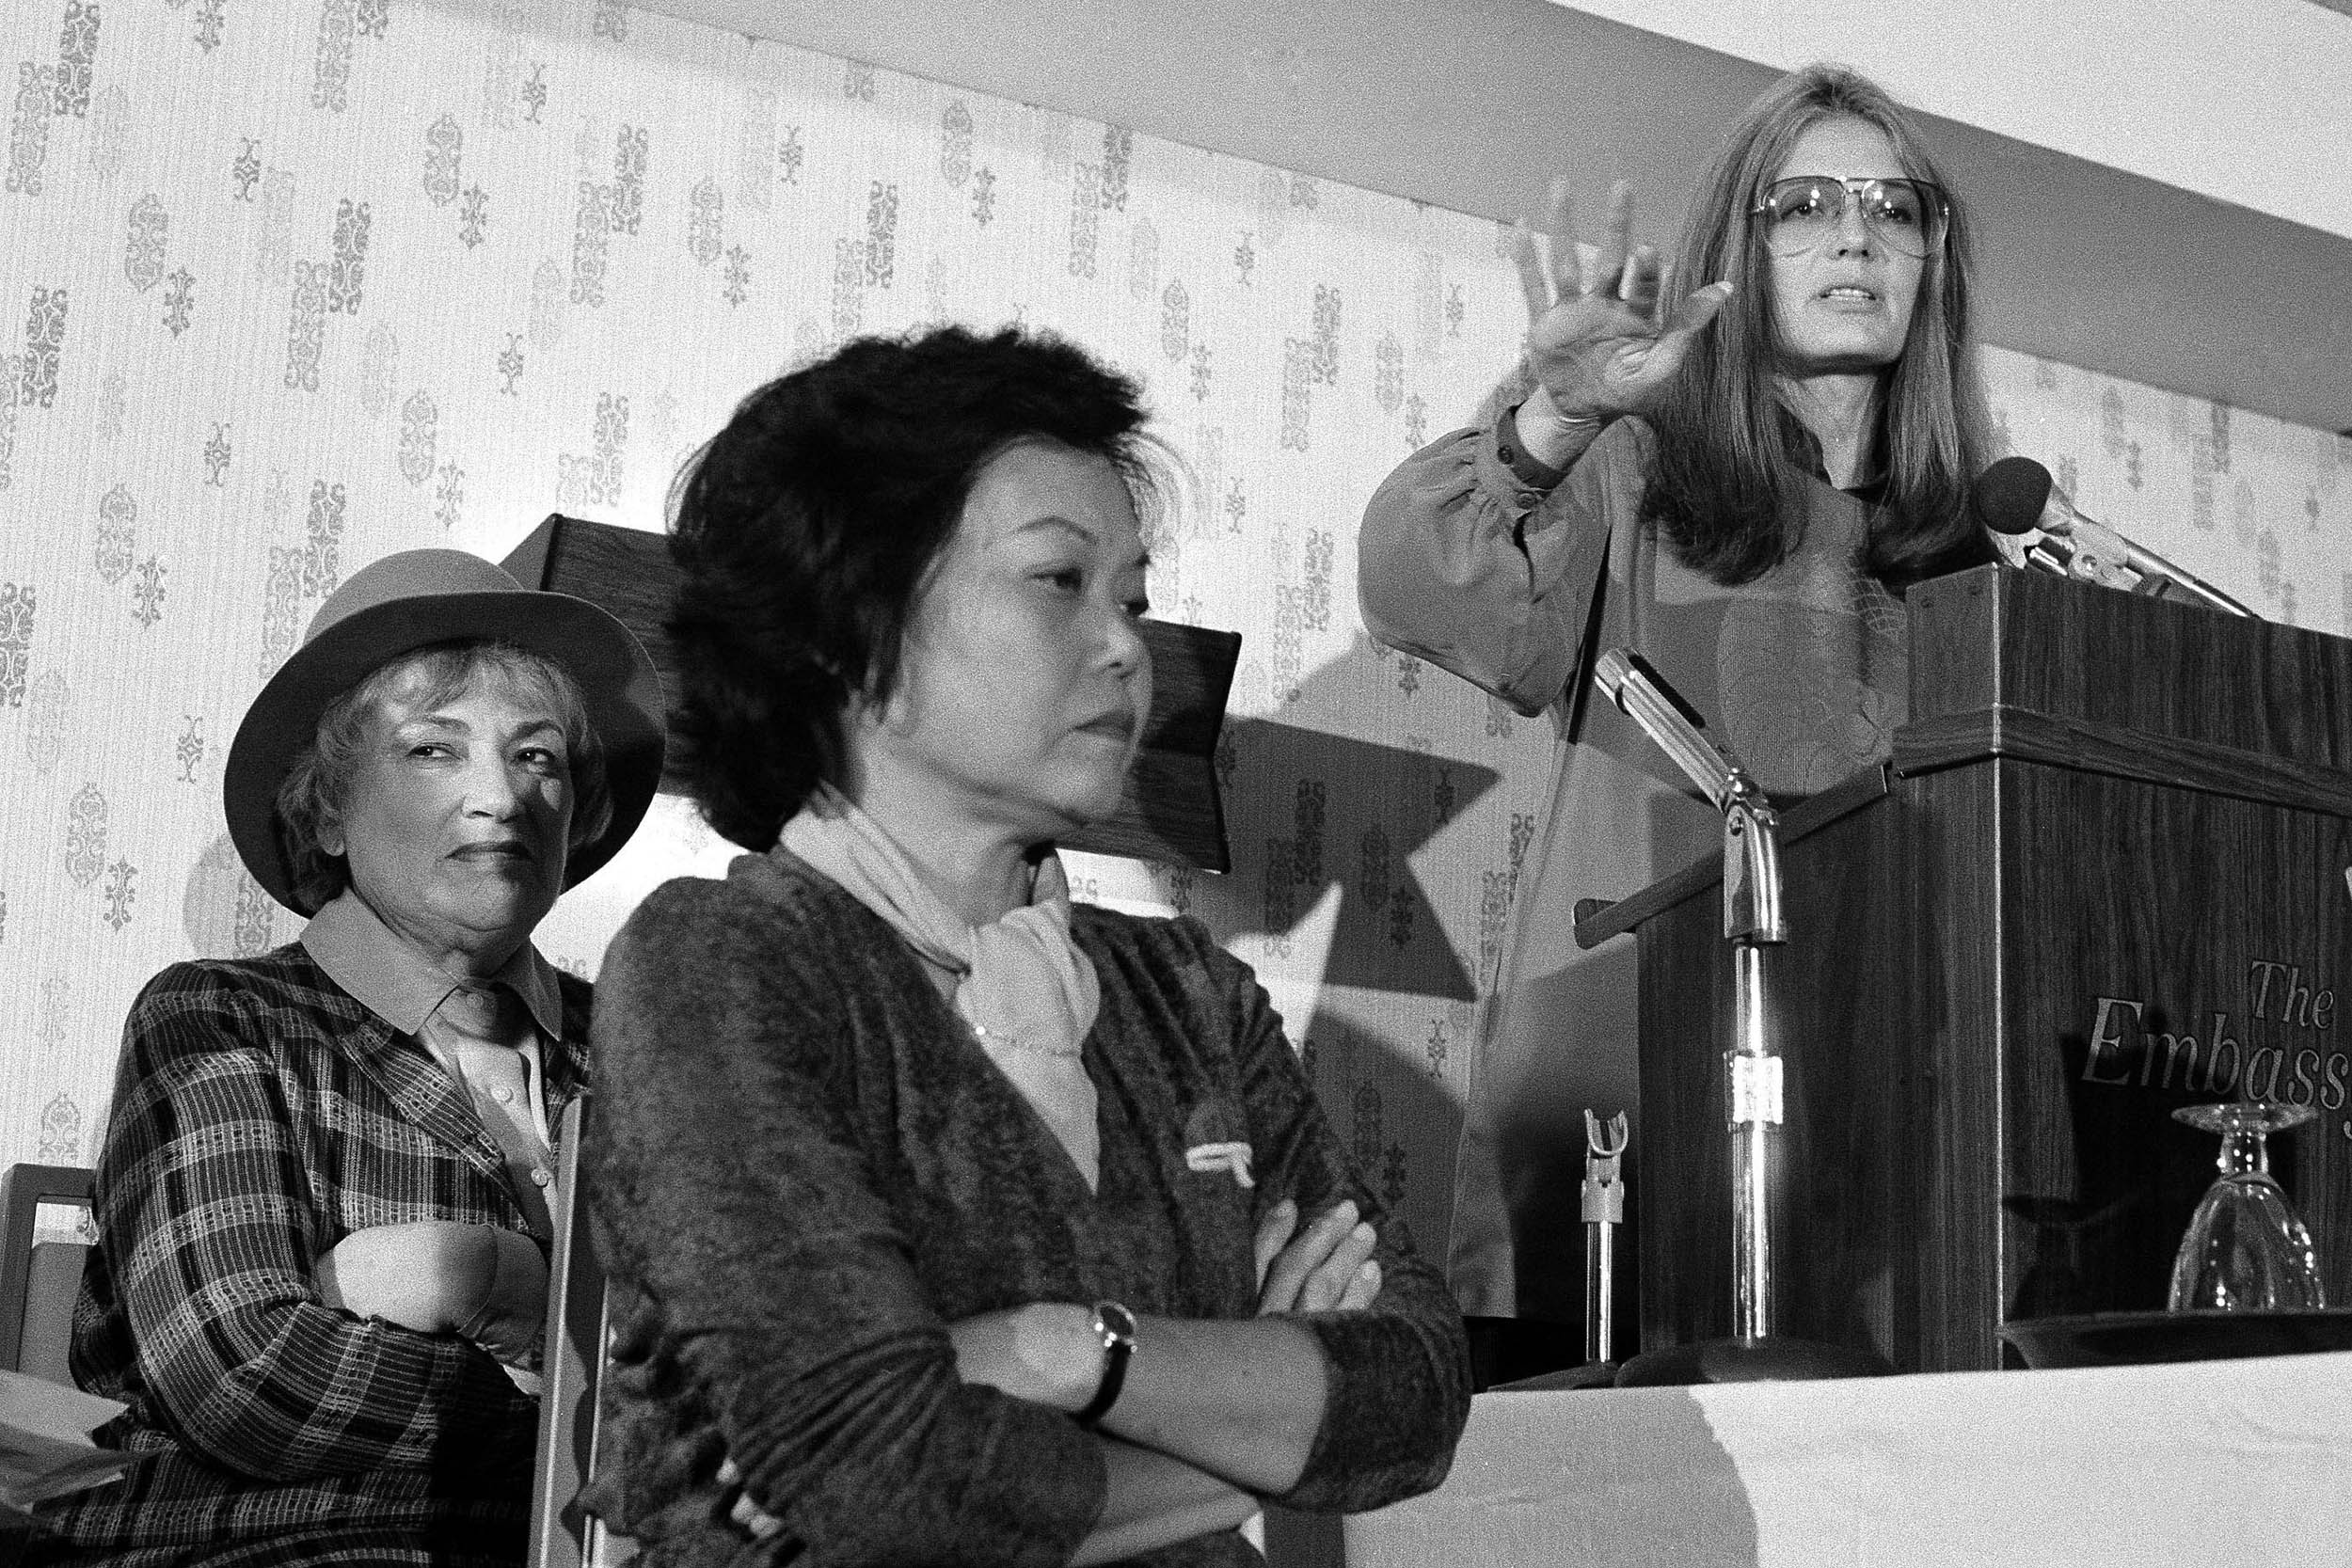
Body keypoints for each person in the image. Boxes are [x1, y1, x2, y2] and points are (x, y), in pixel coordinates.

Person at [584, 324, 1470, 1566]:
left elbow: (1416, 1390)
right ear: (851, 629)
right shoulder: (726, 963)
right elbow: (884, 1473)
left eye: (1133, 599)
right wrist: (1255, 1416)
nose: (1126, 646)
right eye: (1059, 580)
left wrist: (1065, 1347)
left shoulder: (1187, 992)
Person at [1358, 64, 1997, 1328]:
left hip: (1891, 1160)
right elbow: (1413, 583)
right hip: (1617, 1134)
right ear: (1738, 252)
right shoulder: (1631, 472)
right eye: (1805, 204)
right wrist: (1550, 417)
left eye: (1894, 207)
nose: (1857, 234)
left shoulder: (1967, 569)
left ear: (1935, 263)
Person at [31, 549, 665, 1567]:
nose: (501, 796)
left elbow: (758, 1374)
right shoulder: (222, 1018)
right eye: (433, 750)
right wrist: (570, 1401)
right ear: (328, 806)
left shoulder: (646, 1046)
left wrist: (477, 1295)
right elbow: (244, 1373)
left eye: (538, 754)